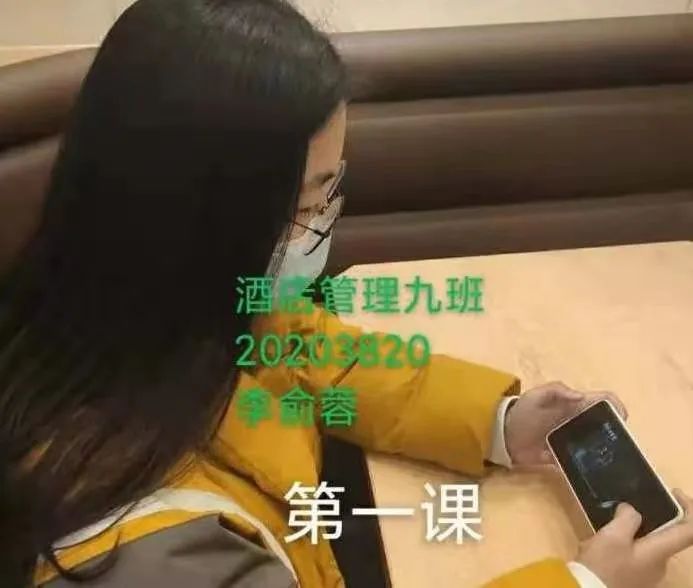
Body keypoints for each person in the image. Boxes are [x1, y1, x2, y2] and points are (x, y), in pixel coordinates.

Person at [1, 1, 692, 587]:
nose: (322, 223)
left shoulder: (154, 313)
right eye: (305, 202)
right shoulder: (150, 554)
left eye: (330, 191)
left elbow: (316, 357)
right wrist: (584, 583)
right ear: (195, 217)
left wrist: (496, 421)